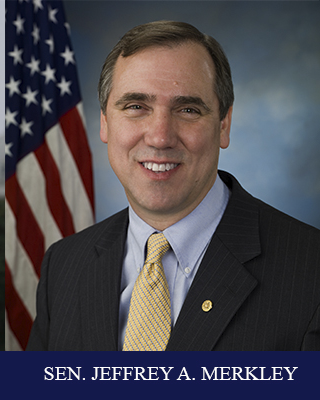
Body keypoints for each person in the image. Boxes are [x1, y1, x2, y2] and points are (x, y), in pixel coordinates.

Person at [27, 21, 320, 351]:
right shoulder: (63, 266)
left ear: (224, 124)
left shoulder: (311, 272)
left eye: (188, 109)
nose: (160, 136)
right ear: (105, 122)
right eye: (136, 107)